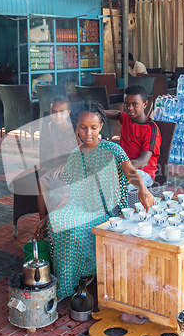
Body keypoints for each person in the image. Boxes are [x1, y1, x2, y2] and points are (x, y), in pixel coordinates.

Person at [33, 102, 155, 298]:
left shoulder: (113, 150)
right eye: (83, 127)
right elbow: (69, 195)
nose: (88, 132)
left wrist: (142, 188)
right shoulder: (74, 156)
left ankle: (87, 274)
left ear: (101, 127)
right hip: (80, 206)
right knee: (58, 221)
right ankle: (67, 285)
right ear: (77, 128)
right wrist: (45, 219)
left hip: (107, 210)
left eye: (93, 127)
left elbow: (131, 171)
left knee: (73, 227)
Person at [105, 84, 161, 191]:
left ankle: (120, 207)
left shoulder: (151, 130)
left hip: (143, 172)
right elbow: (117, 115)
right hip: (124, 167)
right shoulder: (127, 117)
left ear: (145, 104)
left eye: (135, 104)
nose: (130, 108)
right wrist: (100, 112)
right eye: (127, 104)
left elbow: (143, 161)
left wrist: (120, 168)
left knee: (115, 185)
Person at [37, 95, 78, 220]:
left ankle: (56, 223)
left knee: (62, 189)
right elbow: (55, 148)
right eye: (54, 112)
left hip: (76, 167)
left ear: (68, 113)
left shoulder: (76, 128)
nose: (58, 116)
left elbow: (82, 153)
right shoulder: (50, 126)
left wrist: (67, 165)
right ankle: (42, 223)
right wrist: (51, 166)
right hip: (59, 167)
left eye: (62, 112)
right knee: (41, 182)